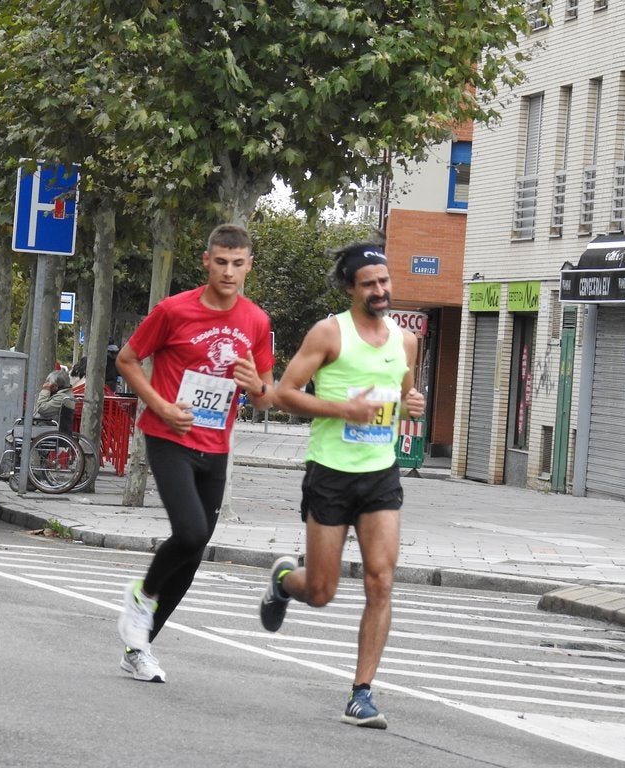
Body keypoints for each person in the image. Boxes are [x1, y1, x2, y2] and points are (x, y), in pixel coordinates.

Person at [260, 240, 425, 729]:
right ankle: (283, 582)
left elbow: (404, 392)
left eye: (384, 280)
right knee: (321, 591)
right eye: (369, 283)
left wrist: (413, 404)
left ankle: (361, 692)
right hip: (330, 473)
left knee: (381, 578)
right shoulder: (329, 334)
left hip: (380, 473)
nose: (380, 290)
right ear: (352, 288)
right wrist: (340, 409)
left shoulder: (406, 340)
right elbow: (283, 394)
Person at [115, 223, 274, 683]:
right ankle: (142, 597)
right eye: (220, 262)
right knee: (189, 532)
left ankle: (139, 647)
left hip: (215, 445)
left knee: (195, 549)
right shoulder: (173, 311)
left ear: (249, 266)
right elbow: (127, 359)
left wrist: (256, 386)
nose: (229, 271)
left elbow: (266, 395)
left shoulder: (256, 322)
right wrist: (161, 405)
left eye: (237, 264)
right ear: (206, 261)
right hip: (168, 435)